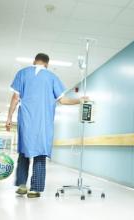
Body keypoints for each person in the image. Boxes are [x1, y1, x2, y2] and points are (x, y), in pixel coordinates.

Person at [6, 53, 87, 198]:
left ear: (33, 61)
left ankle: (22, 186)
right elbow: (63, 101)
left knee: (24, 152)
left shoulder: (22, 73)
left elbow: (15, 97)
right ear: (47, 64)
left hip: (26, 120)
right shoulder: (52, 77)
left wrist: (9, 117)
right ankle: (35, 189)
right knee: (40, 153)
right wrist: (79, 100)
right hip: (43, 122)